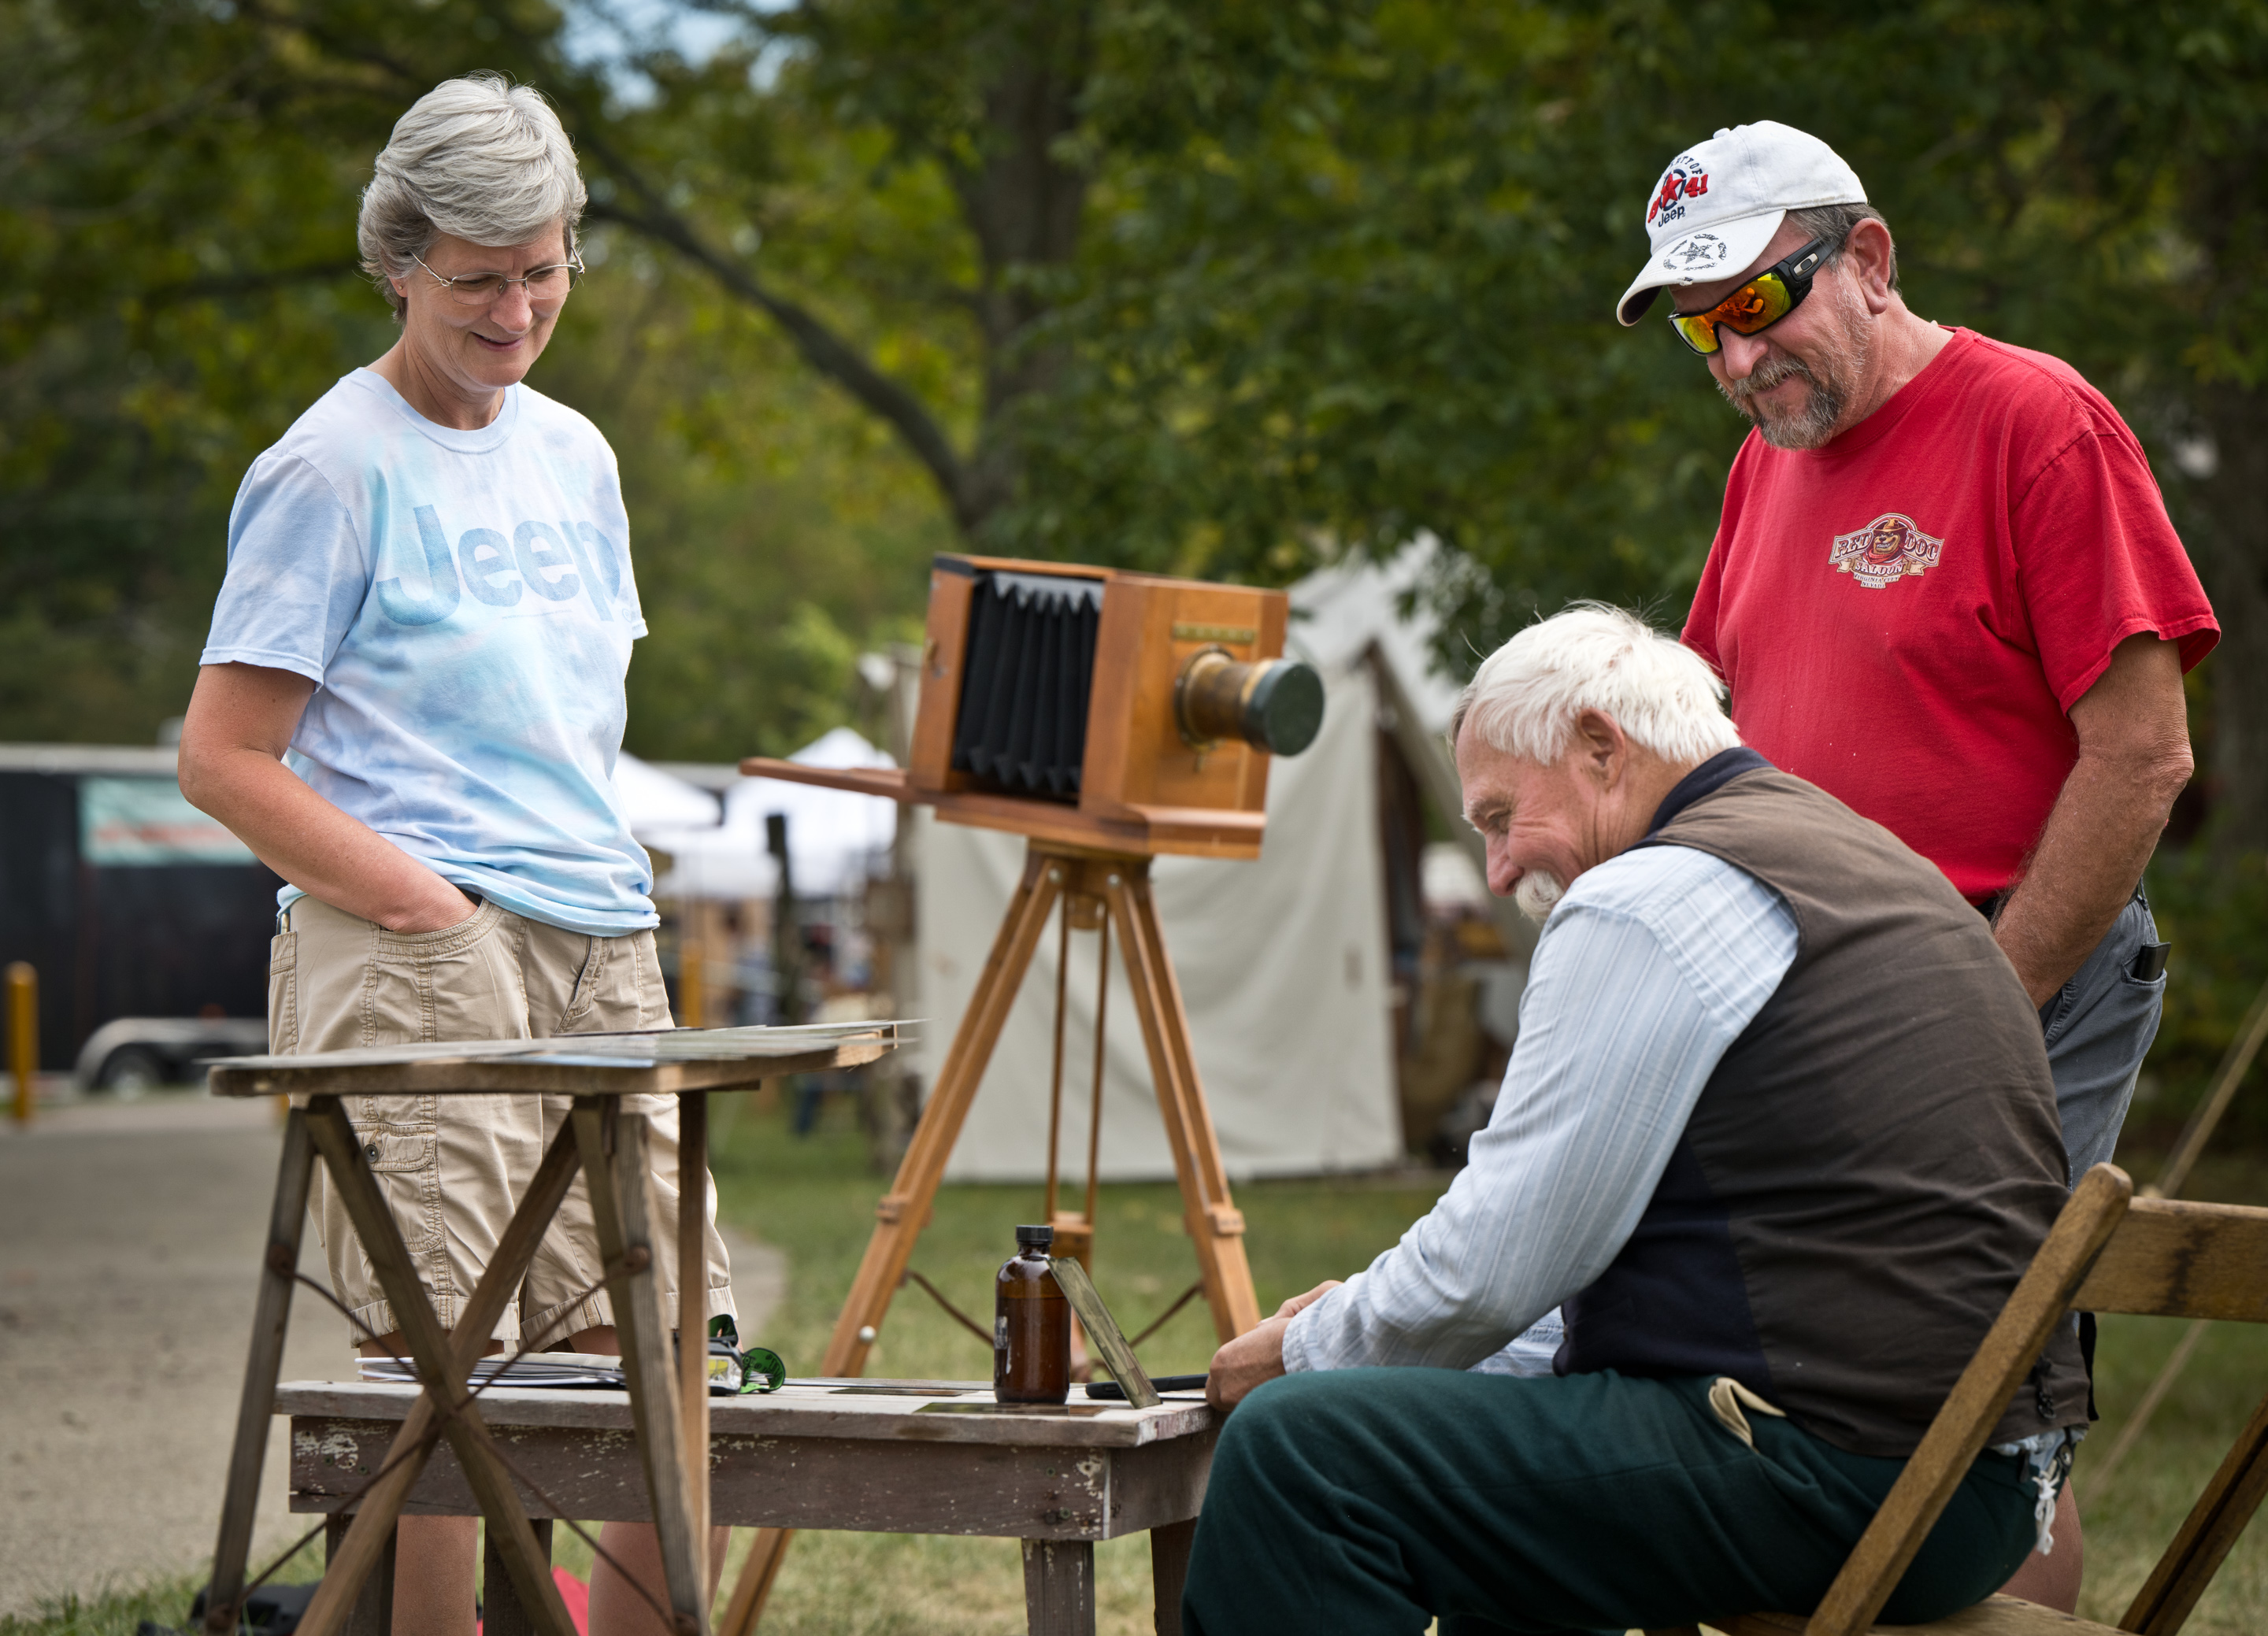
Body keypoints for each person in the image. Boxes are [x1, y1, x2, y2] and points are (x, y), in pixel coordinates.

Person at [1186, 607, 2088, 1636]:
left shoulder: (1649, 895)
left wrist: (1305, 1352)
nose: (1495, 870)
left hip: (1856, 1478)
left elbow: (1495, 1262)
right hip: (1983, 1485)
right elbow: (1609, 1271)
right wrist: (1383, 1335)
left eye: (1499, 816)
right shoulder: (1864, 861)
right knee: (1491, 1463)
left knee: (1301, 1448)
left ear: (1600, 748)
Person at [1617, 120, 2217, 1605]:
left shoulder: (2038, 422)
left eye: (1758, 302)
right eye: (1699, 329)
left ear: (1870, 258)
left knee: (1983, 1388)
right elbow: (1707, 728)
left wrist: (1974, 998)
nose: (1735, 358)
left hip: (2011, 961)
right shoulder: (1767, 465)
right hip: (1818, 990)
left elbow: (2143, 755)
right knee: (1792, 1367)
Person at [177, 74, 728, 1636]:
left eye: (544, 271)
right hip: (418, 939)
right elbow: (223, 757)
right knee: (446, 1369)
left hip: (602, 937)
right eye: (480, 278)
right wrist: (430, 905)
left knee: (658, 1342)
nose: (517, 310)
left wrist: (590, 894)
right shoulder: (328, 468)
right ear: (399, 261)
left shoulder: (578, 454)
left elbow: (562, 726)